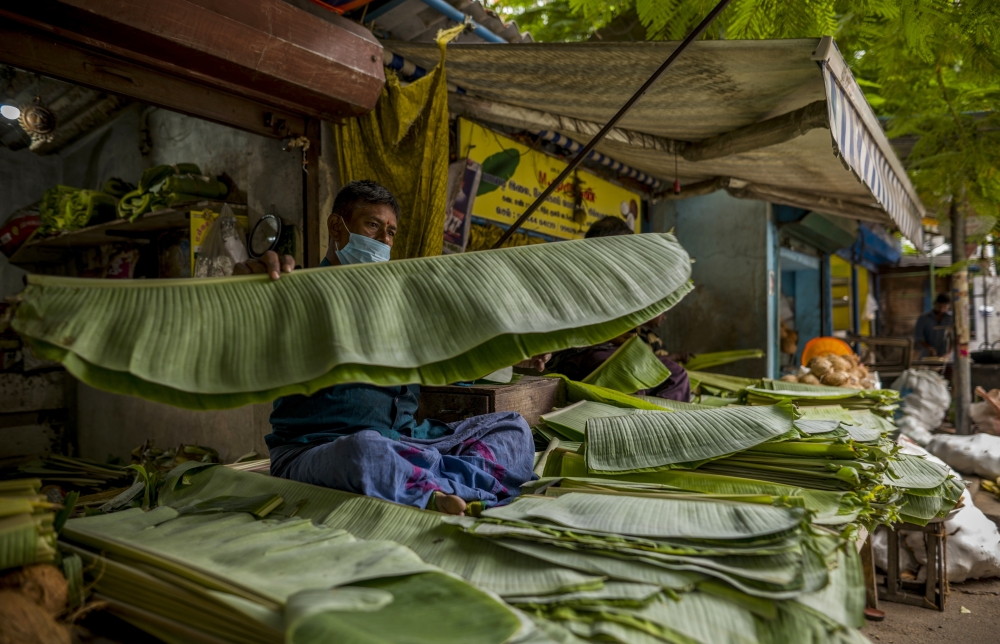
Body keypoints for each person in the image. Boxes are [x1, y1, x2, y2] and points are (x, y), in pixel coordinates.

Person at [235, 180, 537, 515]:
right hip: (320, 451)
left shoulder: (403, 307)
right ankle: (451, 486)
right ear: (337, 227)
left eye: (390, 232)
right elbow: (240, 339)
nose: (383, 240)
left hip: (409, 443)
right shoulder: (294, 294)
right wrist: (244, 293)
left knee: (513, 428)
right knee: (365, 450)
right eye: (373, 225)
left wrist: (513, 353)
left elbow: (451, 366)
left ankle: (427, 484)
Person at [544, 216, 692, 401]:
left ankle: (660, 424)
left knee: (676, 375)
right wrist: (616, 338)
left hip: (608, 351)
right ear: (604, 246)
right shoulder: (573, 276)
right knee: (628, 378)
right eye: (623, 248)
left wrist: (623, 339)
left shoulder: (611, 280)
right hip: (576, 354)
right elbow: (570, 331)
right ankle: (634, 424)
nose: (626, 255)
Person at [915, 293, 954, 359]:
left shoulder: (952, 318)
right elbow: (919, 337)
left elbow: (954, 339)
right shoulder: (923, 318)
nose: (941, 310)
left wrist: (949, 353)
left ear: (949, 306)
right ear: (935, 303)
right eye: (939, 307)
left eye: (945, 308)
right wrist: (929, 348)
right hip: (928, 357)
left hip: (946, 358)